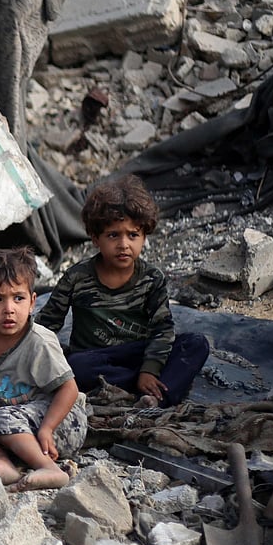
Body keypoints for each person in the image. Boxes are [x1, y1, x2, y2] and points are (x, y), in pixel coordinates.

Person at [36, 174, 209, 407]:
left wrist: (150, 369)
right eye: (113, 235)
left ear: (144, 236)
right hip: (95, 359)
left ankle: (154, 397)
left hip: (139, 354)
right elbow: (47, 325)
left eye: (133, 235)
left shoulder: (151, 279)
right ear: (96, 238)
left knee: (196, 343)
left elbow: (162, 330)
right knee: (75, 365)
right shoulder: (76, 278)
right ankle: (145, 390)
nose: (124, 244)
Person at [0, 247, 86, 491]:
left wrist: (47, 428)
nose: (9, 309)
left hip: (61, 422)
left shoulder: (39, 342)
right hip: (17, 422)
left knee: (2, 416)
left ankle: (49, 468)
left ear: (32, 302)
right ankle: (4, 464)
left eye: (18, 298)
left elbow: (69, 389)